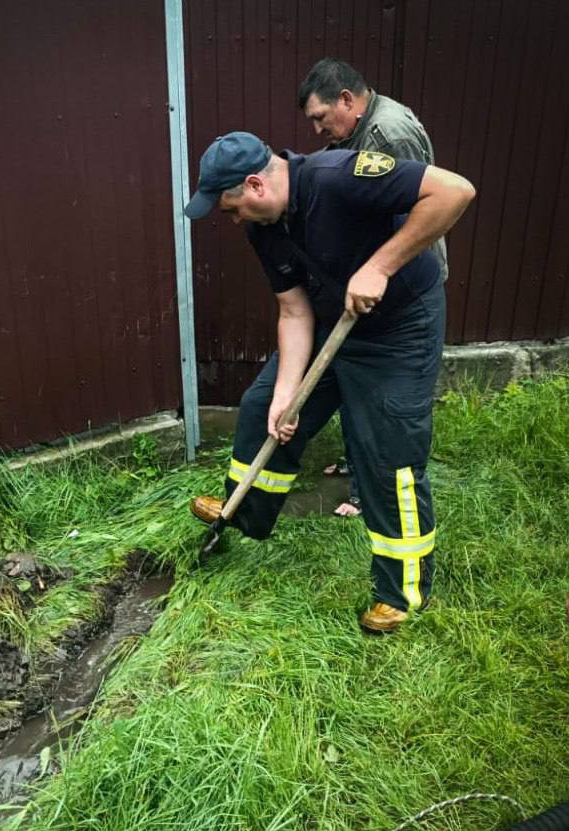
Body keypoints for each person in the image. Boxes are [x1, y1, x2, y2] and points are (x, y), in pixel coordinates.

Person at [185, 132, 474, 633]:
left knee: (387, 455)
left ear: (255, 184)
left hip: (396, 330)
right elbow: (293, 309)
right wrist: (286, 397)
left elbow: (455, 191)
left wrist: (380, 266)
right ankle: (244, 513)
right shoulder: (263, 227)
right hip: (325, 323)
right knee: (261, 410)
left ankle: (400, 592)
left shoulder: (337, 177)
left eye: (231, 208)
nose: (232, 220)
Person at [299, 58, 449, 518]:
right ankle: (354, 462)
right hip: (372, 282)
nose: (319, 131)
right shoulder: (364, 129)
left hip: (397, 284)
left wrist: (376, 272)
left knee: (379, 396)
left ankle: (369, 493)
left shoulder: (388, 134)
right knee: (351, 376)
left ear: (347, 100)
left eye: (321, 118)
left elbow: (407, 212)